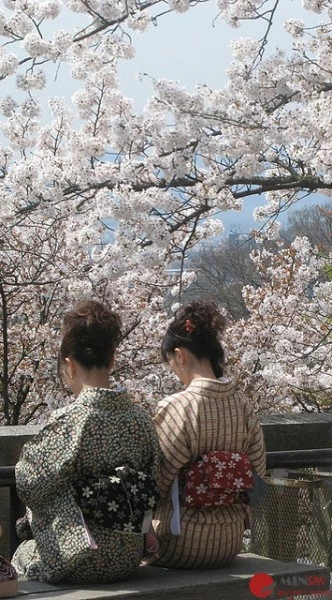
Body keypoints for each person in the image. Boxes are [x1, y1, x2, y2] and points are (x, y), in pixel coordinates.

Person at [11, 300, 160, 583]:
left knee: (22, 555)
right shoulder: (141, 419)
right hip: (128, 558)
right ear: (113, 360)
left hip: (77, 557)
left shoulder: (70, 421)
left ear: (69, 365)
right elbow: (154, 480)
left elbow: (29, 484)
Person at [152, 300, 266, 569]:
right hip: (229, 541)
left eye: (171, 361)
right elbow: (258, 475)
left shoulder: (177, 407)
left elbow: (155, 480)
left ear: (180, 355)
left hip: (178, 544)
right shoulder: (243, 406)